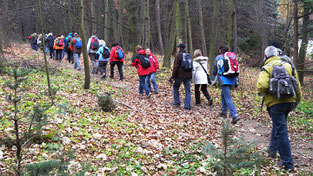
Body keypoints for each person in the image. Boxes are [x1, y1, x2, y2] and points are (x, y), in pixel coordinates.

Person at [257, 46, 302, 172]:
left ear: (266, 56)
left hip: (275, 103)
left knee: (281, 130)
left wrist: (267, 90)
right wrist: (297, 100)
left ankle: (288, 164)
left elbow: (261, 86)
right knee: (278, 126)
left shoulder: (267, 67)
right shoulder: (288, 65)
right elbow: (297, 85)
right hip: (289, 102)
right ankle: (272, 150)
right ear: (277, 54)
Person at [212, 45, 240, 124]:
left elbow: (215, 69)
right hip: (232, 78)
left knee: (228, 97)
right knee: (223, 94)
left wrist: (214, 81)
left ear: (220, 50)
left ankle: (234, 115)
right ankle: (223, 111)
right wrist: (236, 81)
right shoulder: (232, 57)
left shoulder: (219, 57)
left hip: (224, 79)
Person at [170, 43, 192, 110]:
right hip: (188, 76)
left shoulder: (178, 55)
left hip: (180, 76)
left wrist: (173, 77)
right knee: (187, 90)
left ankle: (177, 102)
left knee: (176, 87)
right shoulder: (188, 55)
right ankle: (187, 106)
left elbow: (175, 67)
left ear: (179, 48)